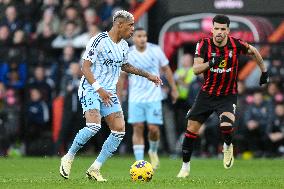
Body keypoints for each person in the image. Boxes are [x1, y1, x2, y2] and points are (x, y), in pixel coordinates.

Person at [59, 10, 162, 182]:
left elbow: (125, 66)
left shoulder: (123, 46)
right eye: (130, 26)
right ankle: (68, 157)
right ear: (119, 25)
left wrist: (148, 75)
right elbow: (85, 67)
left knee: (119, 130)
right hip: (91, 88)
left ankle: (95, 168)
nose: (132, 30)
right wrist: (99, 89)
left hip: (109, 92)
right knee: (93, 126)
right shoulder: (98, 40)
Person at [177, 14, 269, 178]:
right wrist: (211, 62)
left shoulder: (235, 44)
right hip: (206, 94)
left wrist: (264, 71)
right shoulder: (203, 44)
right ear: (212, 30)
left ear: (228, 30)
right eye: (216, 29)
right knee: (191, 130)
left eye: (223, 29)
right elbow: (196, 69)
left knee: (226, 126)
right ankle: (185, 167)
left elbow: (254, 51)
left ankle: (227, 146)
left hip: (227, 95)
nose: (219, 32)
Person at [119, 28, 178, 169]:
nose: (142, 39)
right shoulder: (128, 53)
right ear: (134, 38)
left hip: (154, 96)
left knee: (153, 129)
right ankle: (139, 162)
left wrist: (174, 88)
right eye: (139, 36)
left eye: (144, 36)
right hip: (136, 98)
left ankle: (152, 150)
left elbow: (167, 69)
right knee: (138, 127)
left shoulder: (155, 50)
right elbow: (122, 76)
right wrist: (119, 95)